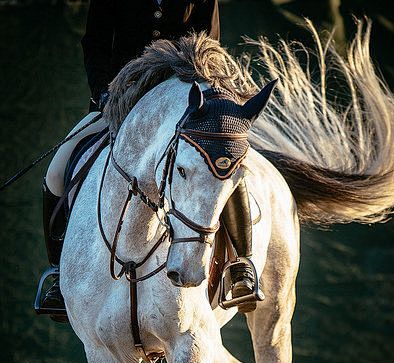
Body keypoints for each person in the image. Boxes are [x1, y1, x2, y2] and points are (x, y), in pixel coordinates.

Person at [39, 0, 256, 317]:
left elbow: (207, 45)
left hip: (182, 104)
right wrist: (104, 92)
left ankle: (239, 264)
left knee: (223, 164)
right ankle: (60, 273)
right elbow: (95, 44)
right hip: (120, 101)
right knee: (57, 173)